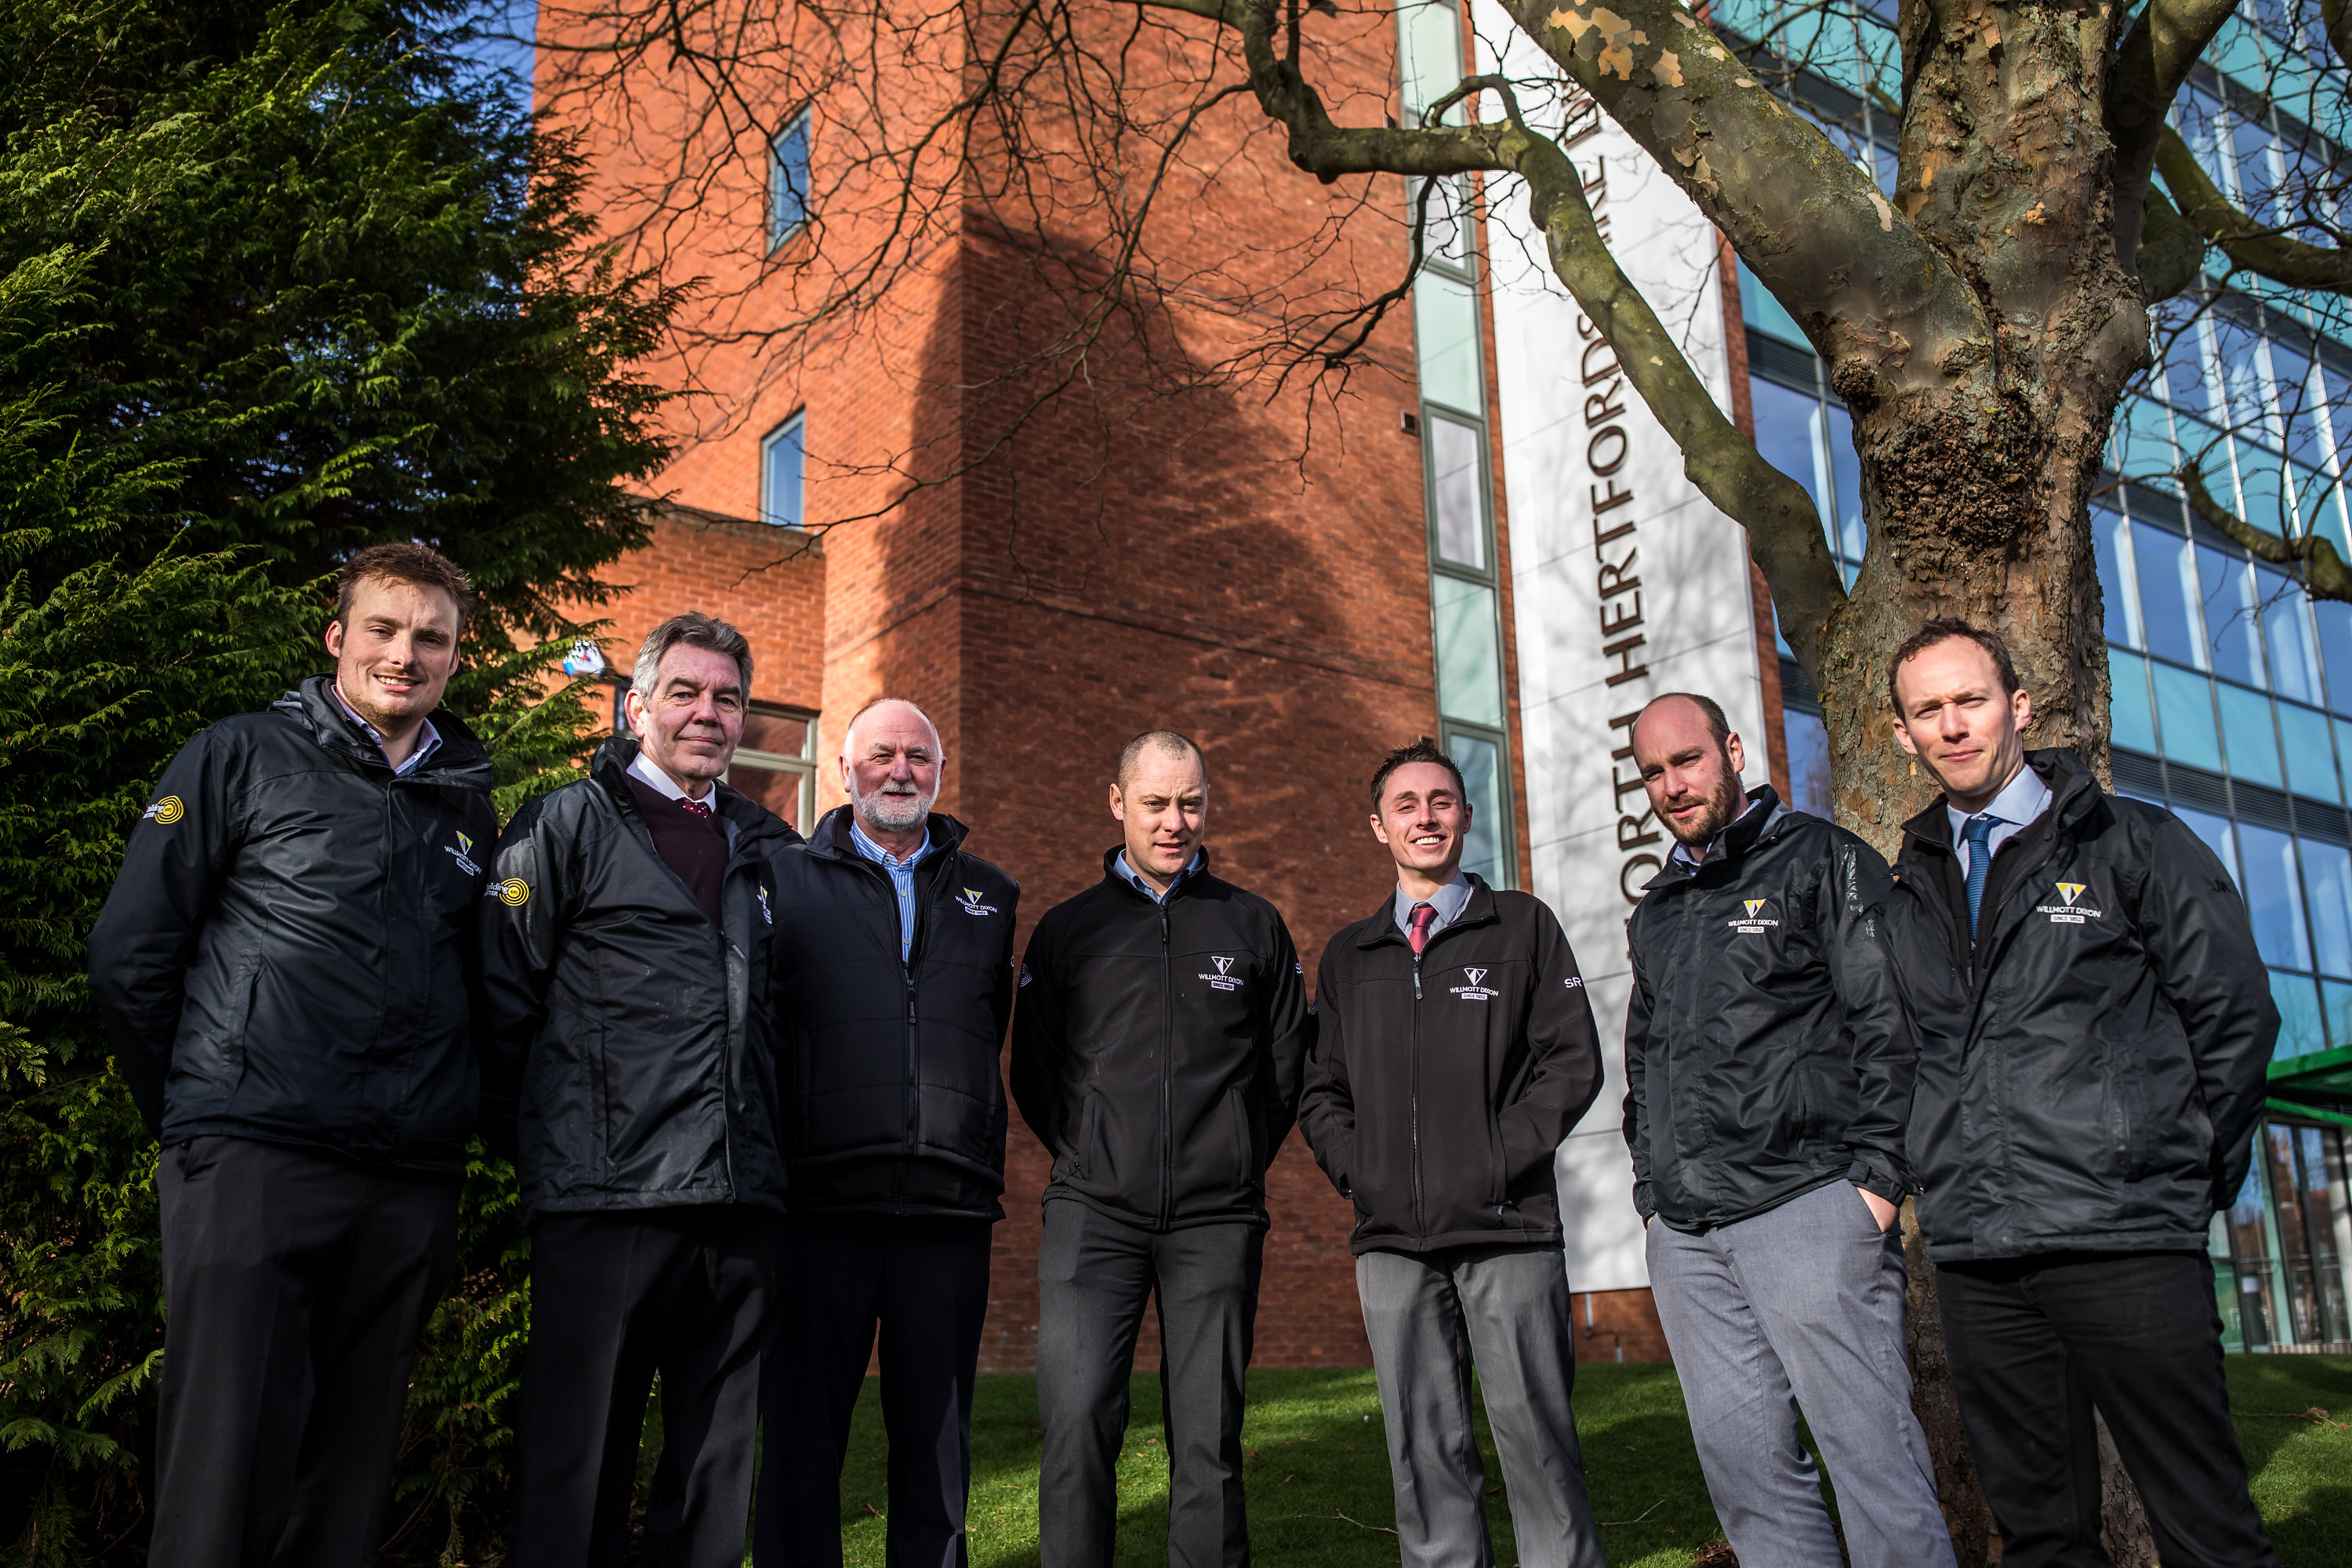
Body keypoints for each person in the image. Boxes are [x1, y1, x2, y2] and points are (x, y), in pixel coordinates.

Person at [87, 543, 496, 1567]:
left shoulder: (467, 806)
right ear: (338, 640)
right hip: (251, 1158)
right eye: (384, 630)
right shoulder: (237, 755)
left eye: (431, 639)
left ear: (456, 658)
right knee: (223, 1462)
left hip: (404, 1180)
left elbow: (482, 988)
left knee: (351, 1473)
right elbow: (132, 952)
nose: (405, 655)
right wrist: (195, 1117)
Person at [1885, 617, 2280, 1568]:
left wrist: (2184, 1180)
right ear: (1903, 733)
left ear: (2017, 706)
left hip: (2128, 1235)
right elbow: (1911, 1056)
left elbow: (2235, 1016)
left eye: (1969, 699)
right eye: (1926, 710)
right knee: (2043, 1539)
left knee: (2206, 1527)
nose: (1952, 725)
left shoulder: (2134, 841)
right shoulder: (1908, 880)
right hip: (1981, 1256)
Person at [481, 612, 797, 1568]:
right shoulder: (563, 823)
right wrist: (551, 1150)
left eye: (728, 698)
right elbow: (502, 1002)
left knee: (714, 1473)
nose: (708, 712)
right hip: (606, 1198)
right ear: (638, 706)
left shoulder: (770, 845)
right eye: (687, 692)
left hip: (739, 1201)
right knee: (576, 1469)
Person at [1621, 692, 1954, 1568]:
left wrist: (1876, 1186)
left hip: (1811, 1208)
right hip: (1690, 1236)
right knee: (1750, 1481)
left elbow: (1893, 1026)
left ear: (1733, 749)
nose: (1672, 785)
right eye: (1653, 772)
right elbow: (1643, 1061)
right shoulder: (1658, 905)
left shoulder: (1823, 860)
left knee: (1875, 1466)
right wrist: (1652, 1197)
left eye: (1686, 760)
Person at [1298, 739, 1607, 1568]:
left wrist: (1492, 1158)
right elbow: (1320, 1091)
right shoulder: (1348, 955)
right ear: (1378, 825)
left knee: (1538, 1444)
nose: (1426, 817)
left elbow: (1572, 1062)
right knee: (1422, 1451)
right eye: (1407, 804)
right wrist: (1365, 1171)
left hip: (1509, 1229)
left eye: (1442, 801)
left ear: (1467, 817)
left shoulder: (1524, 927)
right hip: (1393, 1242)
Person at [1010, 731, 1312, 1568]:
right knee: (1075, 1426)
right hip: (1092, 1215)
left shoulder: (1252, 924)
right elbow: (1034, 1069)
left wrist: (1236, 1156)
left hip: (1216, 1217)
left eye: (1190, 802)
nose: (1174, 820)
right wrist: (1089, 1152)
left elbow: (1285, 1066)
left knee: (1209, 1437)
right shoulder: (1067, 930)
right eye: (1155, 802)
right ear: (1118, 803)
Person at [756, 698, 1020, 1568]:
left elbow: (994, 1025)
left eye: (916, 755)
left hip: (946, 1213)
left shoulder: (990, 893)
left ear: (938, 773)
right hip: (819, 1205)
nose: (899, 769)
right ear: (845, 769)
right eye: (881, 754)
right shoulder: (782, 881)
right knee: (801, 1447)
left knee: (938, 1460)